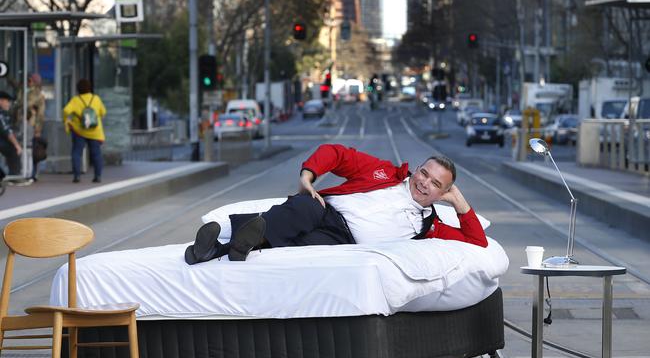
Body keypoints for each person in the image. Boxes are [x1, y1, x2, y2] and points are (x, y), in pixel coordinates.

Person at [185, 144, 487, 264]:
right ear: (417, 169)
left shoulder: (430, 226)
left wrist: (460, 202)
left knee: (305, 247)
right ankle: (235, 247)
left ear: (442, 193)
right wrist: (308, 176)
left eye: (436, 184)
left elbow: (477, 241)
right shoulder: (383, 171)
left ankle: (218, 251)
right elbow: (337, 153)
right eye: (424, 173)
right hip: (325, 209)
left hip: (341, 240)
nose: (424, 183)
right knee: (304, 207)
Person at [63, 79, 107, 183]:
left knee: (77, 152)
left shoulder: (75, 100)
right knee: (96, 154)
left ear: (78, 89)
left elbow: (65, 110)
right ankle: (98, 176)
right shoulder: (96, 99)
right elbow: (103, 112)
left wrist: (67, 120)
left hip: (79, 131)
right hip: (95, 131)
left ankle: (77, 176)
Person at [0, 91, 23, 179]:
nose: (9, 104)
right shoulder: (1, 114)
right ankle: (14, 176)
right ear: (1, 101)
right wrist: (17, 145)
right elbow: (7, 131)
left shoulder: (4, 113)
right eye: (7, 101)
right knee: (13, 149)